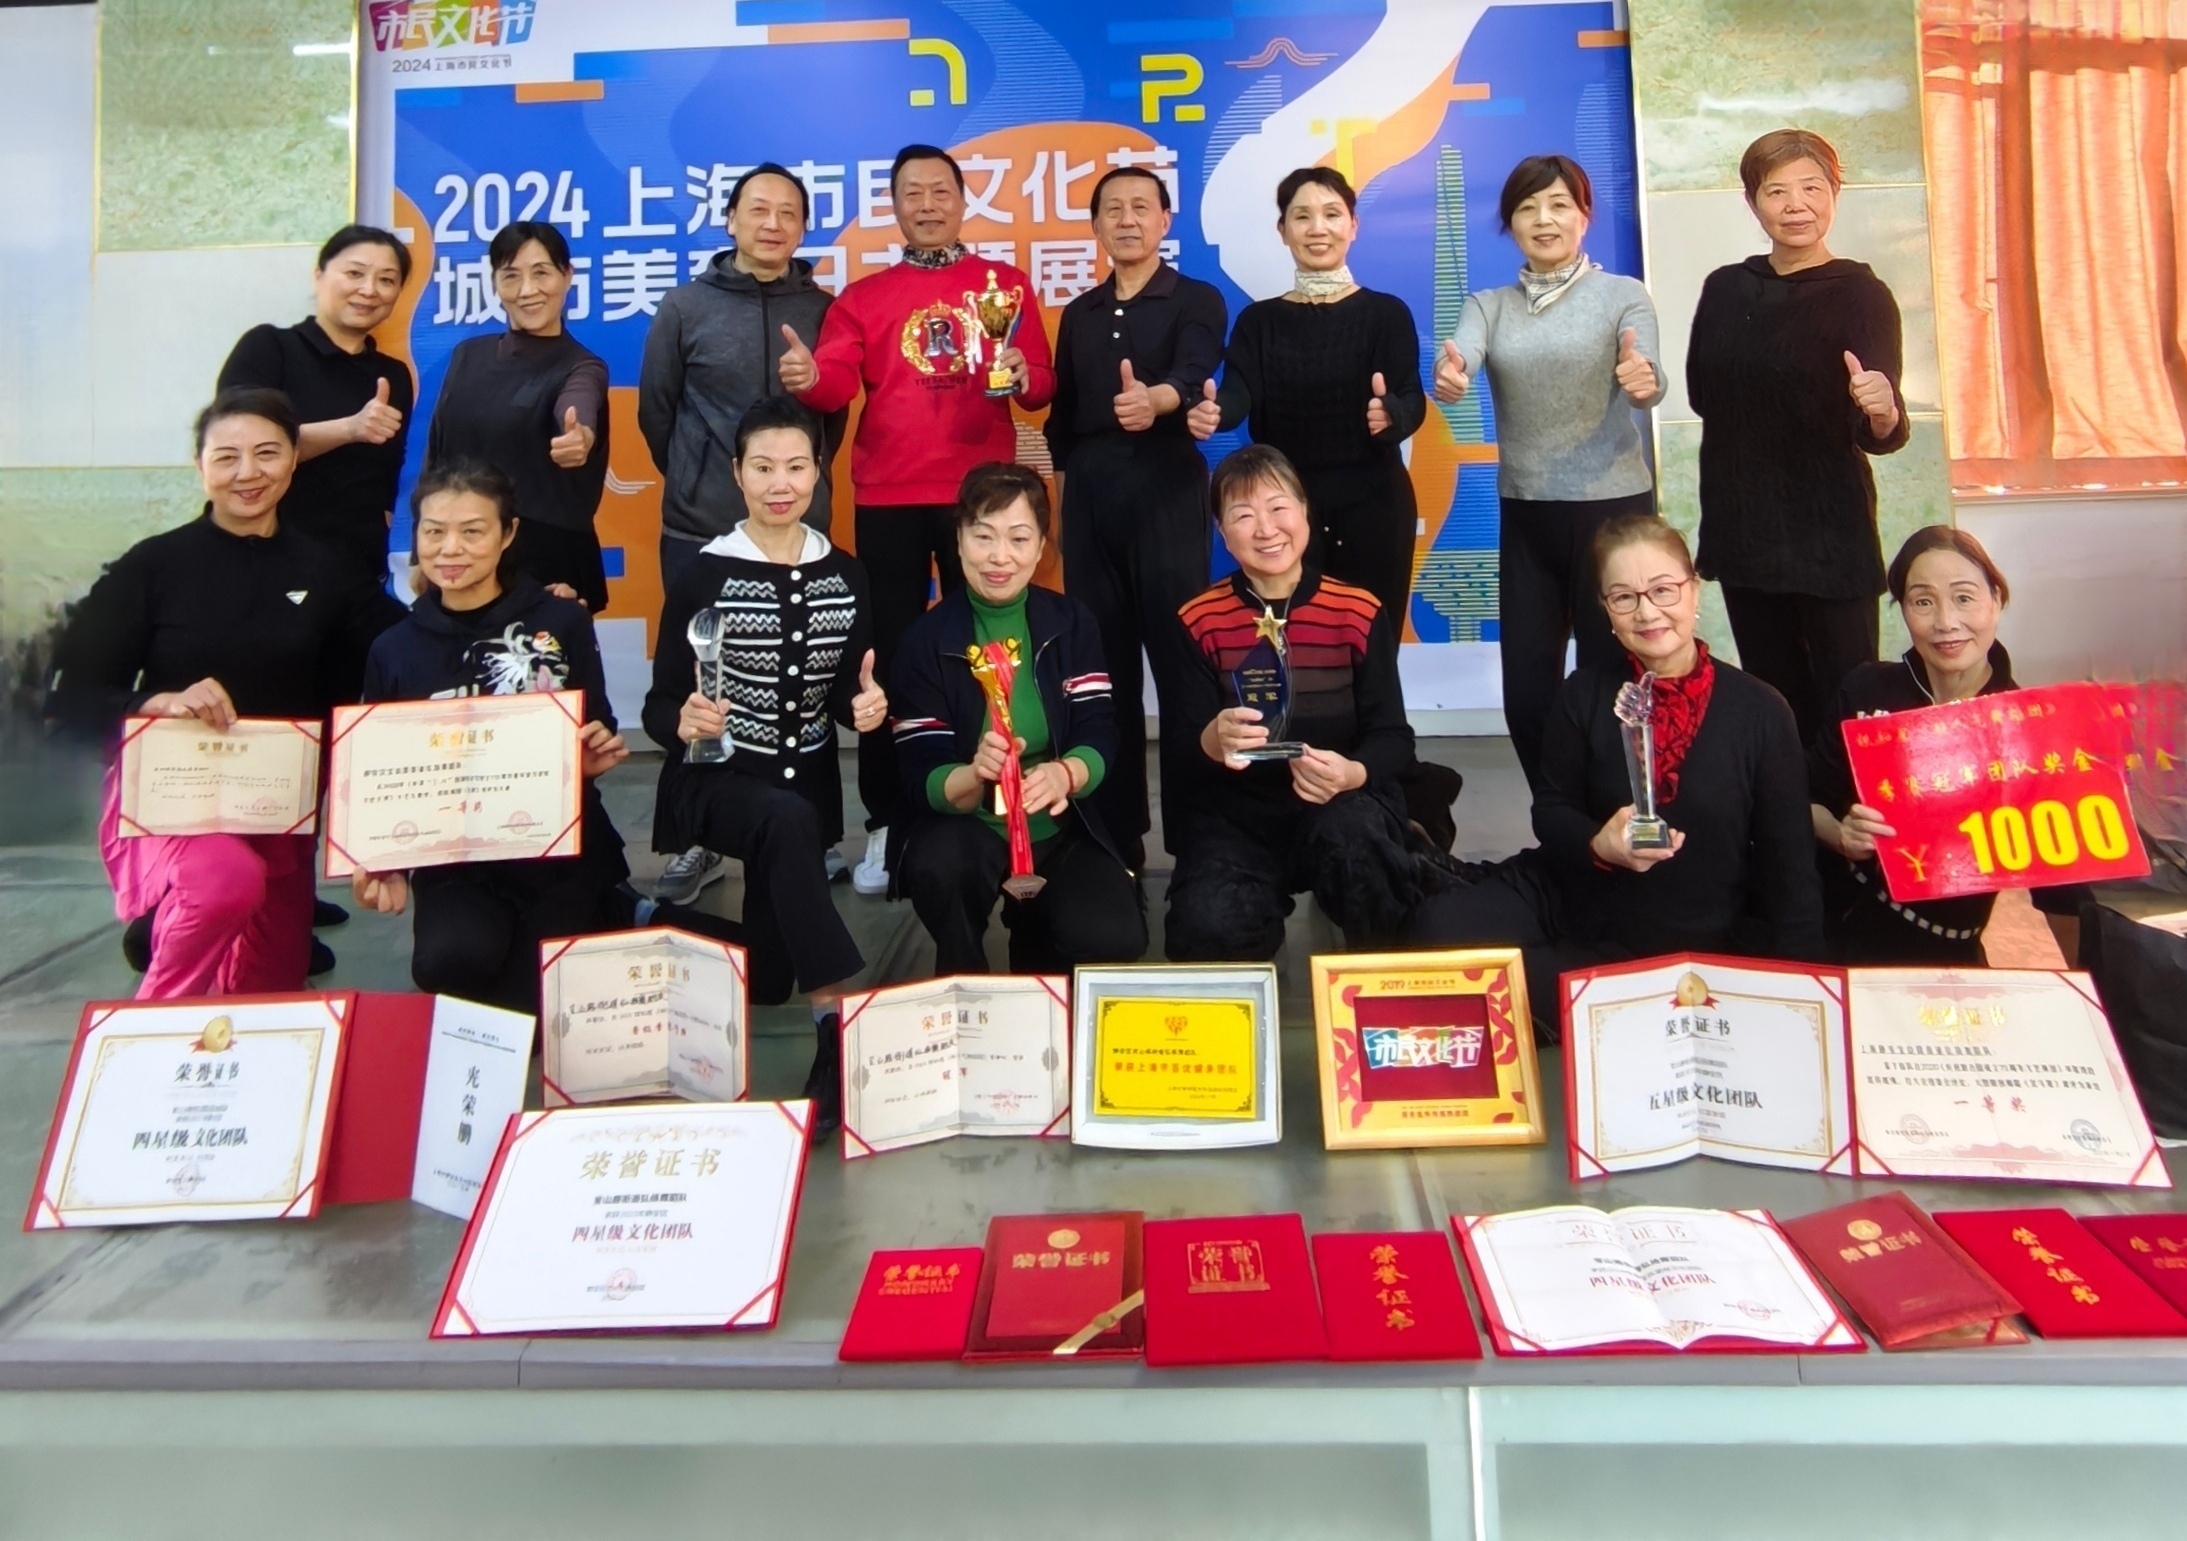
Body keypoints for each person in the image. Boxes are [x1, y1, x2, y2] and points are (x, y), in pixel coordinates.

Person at [1408, 515, 1825, 1034]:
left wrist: (1809, 999)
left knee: (1578, 999)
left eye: (1663, 590)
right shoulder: (1584, 693)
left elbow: (1790, 865)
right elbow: (1552, 810)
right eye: (1624, 597)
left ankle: (1578, 1007)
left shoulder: (1760, 711)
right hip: (1572, 894)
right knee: (1436, 931)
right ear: (1606, 610)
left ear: (1694, 591)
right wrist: (1597, 844)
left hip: (1683, 932)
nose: (1647, 611)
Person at [48, 388, 401, 1000]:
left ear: (293, 458)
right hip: (173, 799)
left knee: (272, 986)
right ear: (199, 466)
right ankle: (148, 1030)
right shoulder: (152, 567)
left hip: (278, 809)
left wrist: (520, 608)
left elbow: (404, 650)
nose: (248, 473)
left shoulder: (327, 569)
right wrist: (151, 704)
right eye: (226, 457)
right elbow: (71, 698)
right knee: (223, 883)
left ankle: (170, 930)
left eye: (267, 453)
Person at [348, 461, 719, 1014]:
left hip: (558, 852)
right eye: (434, 531)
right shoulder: (392, 648)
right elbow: (383, 776)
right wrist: (385, 863)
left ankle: (610, 909)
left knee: (544, 1005)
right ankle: (619, 918)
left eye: (472, 531)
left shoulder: (560, 622)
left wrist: (588, 759)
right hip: (457, 865)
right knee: (447, 965)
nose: (451, 549)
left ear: (508, 533)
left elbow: (597, 721)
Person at [784, 144, 1057, 897]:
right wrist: (809, 378)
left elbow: (1038, 387)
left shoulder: (1004, 286)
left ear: (964, 201)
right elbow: (835, 384)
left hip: (981, 500)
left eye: (941, 191)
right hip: (890, 496)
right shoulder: (863, 298)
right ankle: (889, 818)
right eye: (912, 193)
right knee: (890, 658)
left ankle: (999, 798)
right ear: (895, 207)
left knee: (989, 653)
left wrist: (1025, 373)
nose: (928, 204)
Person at [643, 398, 887, 1137]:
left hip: (803, 789)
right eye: (763, 467)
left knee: (767, 976)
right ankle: (835, 1027)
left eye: (796, 467)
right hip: (716, 780)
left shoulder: (847, 573)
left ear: (817, 472)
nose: (780, 483)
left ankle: (644, 917)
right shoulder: (704, 573)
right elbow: (659, 702)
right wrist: (682, 719)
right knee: (786, 822)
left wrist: (864, 706)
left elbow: (846, 691)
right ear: (737, 474)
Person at [639, 162, 846, 907]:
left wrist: (799, 478)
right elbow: (656, 412)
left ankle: (807, 828)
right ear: (730, 220)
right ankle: (699, 835)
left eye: (789, 211)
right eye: (758, 209)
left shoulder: (825, 309)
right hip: (700, 525)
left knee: (802, 676)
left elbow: (832, 412)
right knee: (702, 683)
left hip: (799, 533)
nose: (772, 223)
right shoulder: (684, 305)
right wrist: (700, 478)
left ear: (803, 226)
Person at [1432, 156, 1664, 791]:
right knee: (1528, 688)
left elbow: (1648, 372)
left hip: (1613, 516)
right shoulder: (1489, 305)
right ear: (1509, 223)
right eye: (1528, 207)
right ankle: (1555, 813)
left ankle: (1619, 810)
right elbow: (1461, 354)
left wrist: (1643, 379)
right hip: (1529, 514)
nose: (1544, 219)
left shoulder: (1623, 295)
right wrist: (1451, 376)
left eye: (1560, 205)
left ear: (1584, 216)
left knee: (1612, 677)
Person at [1165, 446, 1446, 962]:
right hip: (1237, 817)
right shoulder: (1197, 620)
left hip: (1340, 803)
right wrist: (1212, 740)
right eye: (1243, 516)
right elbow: (1182, 748)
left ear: (1305, 512)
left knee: (1369, 867)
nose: (1265, 529)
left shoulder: (1358, 611)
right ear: (1222, 532)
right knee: (1207, 925)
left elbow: (1393, 738)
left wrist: (1353, 773)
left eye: (1278, 508)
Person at [1686, 128, 1908, 746]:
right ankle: (1786, 811)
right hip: (1745, 529)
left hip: (1829, 534)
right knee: (1773, 706)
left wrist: (1882, 409)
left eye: (1812, 188)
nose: (1796, 205)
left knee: (1848, 704)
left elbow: (1882, 432)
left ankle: (1848, 813)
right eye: (1776, 191)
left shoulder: (1862, 293)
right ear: (1752, 202)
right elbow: (1703, 395)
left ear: (1834, 193)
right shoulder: (1726, 288)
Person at [892, 463, 1148, 974]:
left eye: (1018, 538)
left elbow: (1099, 728)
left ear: (1040, 546)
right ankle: (964, 980)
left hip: (1058, 823)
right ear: (958, 540)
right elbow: (921, 772)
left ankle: (1035, 929)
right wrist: (973, 773)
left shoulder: (1071, 623)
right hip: (969, 827)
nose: (999, 556)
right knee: (943, 870)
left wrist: (1066, 772)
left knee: (1115, 936)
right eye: (983, 536)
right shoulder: (924, 641)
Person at [1045, 166, 1227, 862]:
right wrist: (1064, 509)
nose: (1126, 220)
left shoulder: (1196, 298)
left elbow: (1194, 370)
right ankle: (1114, 836)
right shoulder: (1080, 313)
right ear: (1095, 225)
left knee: (1183, 669)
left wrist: (1156, 400)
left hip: (1166, 489)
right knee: (1101, 671)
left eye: (1140, 207)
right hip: (1091, 495)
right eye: (1112, 209)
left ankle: (1196, 838)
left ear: (1164, 220)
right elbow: (1062, 421)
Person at [1809, 526, 2084, 965]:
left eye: (1964, 598)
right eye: (1923, 602)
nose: (1945, 622)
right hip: (1836, 937)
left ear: (1996, 599)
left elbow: (2064, 889)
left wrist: (2087, 986)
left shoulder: (2028, 728)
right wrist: (1840, 834)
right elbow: (1803, 798)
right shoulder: (1865, 689)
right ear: (1903, 610)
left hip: (1948, 954)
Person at [1188, 166, 1426, 623]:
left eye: (1332, 214)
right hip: (1283, 511)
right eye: (1302, 216)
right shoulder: (1259, 322)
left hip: (1374, 506)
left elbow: (1412, 398)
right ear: (1283, 230)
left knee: (1373, 645)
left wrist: (1393, 415)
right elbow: (1238, 395)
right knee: (1295, 645)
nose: (1318, 228)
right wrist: (1214, 411)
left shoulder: (1387, 313)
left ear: (1353, 226)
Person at [217, 225, 416, 589]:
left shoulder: (393, 374)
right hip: (267, 562)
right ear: (319, 275)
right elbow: (239, 451)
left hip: (357, 573)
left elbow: (387, 471)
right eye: (355, 273)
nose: (369, 289)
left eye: (386, 280)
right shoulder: (269, 347)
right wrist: (350, 429)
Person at [427, 220, 612, 611]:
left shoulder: (582, 367)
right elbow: (437, 453)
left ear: (567, 276)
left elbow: (578, 406)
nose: (527, 290)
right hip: (460, 555)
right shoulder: (468, 355)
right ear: (495, 283)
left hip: (545, 562)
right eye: (511, 276)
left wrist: (580, 437)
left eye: (541, 273)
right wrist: (423, 548)